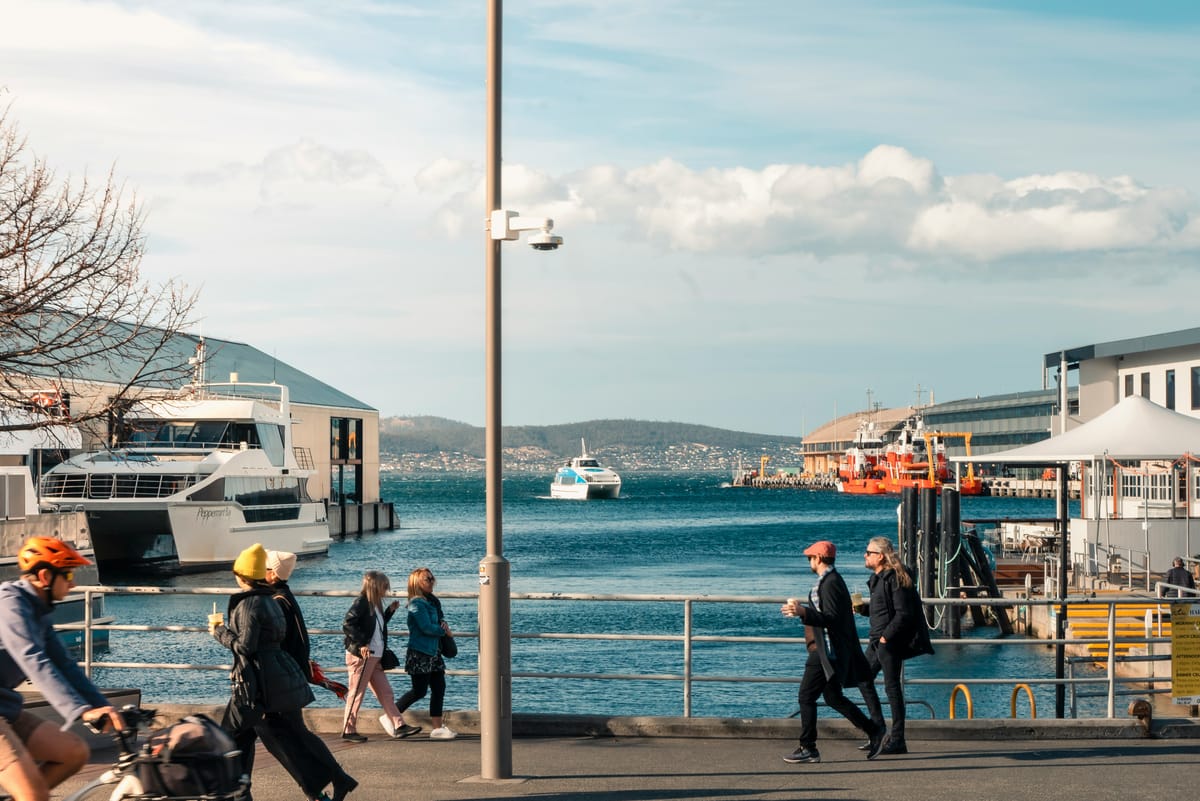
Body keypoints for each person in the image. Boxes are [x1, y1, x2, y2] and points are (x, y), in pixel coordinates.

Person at [0, 537, 125, 801]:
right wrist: (80, 710)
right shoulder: (9, 603)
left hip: (5, 706)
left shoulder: (39, 612)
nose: (73, 583)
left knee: (74, 752)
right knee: (34, 794)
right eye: (67, 575)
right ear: (45, 576)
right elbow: (32, 657)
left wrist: (103, 707)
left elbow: (65, 665)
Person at [211, 544, 325, 801]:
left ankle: (318, 789)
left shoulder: (253, 603)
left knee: (238, 739)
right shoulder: (275, 600)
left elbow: (246, 647)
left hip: (257, 683)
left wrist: (220, 632)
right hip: (275, 680)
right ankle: (243, 793)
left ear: (242, 575)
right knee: (256, 739)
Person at [263, 550, 357, 801]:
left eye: (265, 568)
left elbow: (278, 641)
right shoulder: (284, 597)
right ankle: (332, 781)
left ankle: (333, 780)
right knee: (293, 731)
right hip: (290, 673)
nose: (261, 572)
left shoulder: (278, 601)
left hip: (283, 675)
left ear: (273, 574)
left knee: (293, 732)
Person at [780, 540, 884, 764]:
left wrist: (803, 612)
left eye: (810, 558)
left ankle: (808, 747)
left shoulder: (830, 583)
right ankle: (873, 730)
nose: (809, 561)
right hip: (830, 650)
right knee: (833, 697)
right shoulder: (831, 580)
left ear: (818, 558)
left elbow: (833, 618)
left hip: (826, 651)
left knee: (806, 696)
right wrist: (803, 612)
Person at [341, 570, 420, 741]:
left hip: (375, 656)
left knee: (385, 692)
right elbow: (348, 623)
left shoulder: (374, 604)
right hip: (362, 656)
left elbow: (374, 626)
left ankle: (399, 725)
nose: (386, 590)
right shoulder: (362, 602)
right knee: (356, 693)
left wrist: (389, 612)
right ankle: (348, 729)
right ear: (375, 586)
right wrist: (362, 643)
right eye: (384, 586)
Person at [855, 536, 916, 756]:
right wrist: (863, 610)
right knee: (862, 679)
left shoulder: (894, 578)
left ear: (880, 556)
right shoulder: (878, 579)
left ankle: (897, 739)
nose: (865, 556)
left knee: (892, 688)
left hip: (888, 642)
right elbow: (882, 610)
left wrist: (886, 637)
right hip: (877, 640)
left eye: (869, 553)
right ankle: (877, 730)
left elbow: (903, 613)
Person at [394, 568, 456, 740]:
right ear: (417, 583)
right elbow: (426, 627)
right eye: (427, 579)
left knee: (439, 688)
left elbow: (436, 621)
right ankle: (392, 715)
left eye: (431, 578)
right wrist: (444, 631)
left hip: (434, 652)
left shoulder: (432, 601)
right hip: (420, 653)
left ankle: (437, 729)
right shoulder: (416, 604)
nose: (431, 581)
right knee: (419, 691)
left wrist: (443, 625)